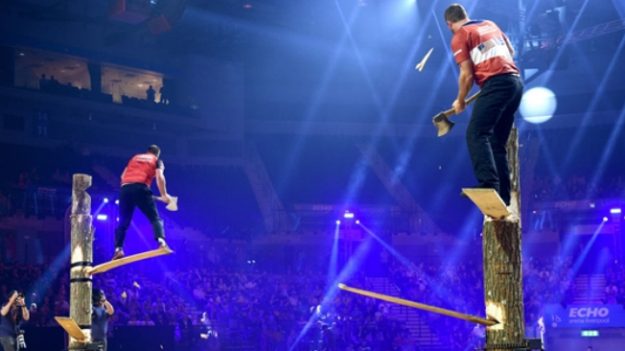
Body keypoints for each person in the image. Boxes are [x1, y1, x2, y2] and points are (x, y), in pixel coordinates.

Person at [444, 3, 524, 206]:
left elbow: (466, 74)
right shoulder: (490, 24)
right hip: (515, 83)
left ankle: (488, 184)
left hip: (497, 84)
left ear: (449, 23)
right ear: (466, 15)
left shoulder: (460, 35)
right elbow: (511, 52)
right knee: (497, 143)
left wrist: (460, 100)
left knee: (476, 133)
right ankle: (503, 198)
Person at [113, 145, 172, 260]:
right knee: (155, 218)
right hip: (141, 187)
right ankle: (162, 242)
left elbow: (122, 176)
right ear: (157, 154)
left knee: (123, 221)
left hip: (125, 189)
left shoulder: (135, 157)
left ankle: (118, 249)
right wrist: (164, 195)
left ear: (147, 151)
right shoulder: (156, 160)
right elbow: (160, 177)